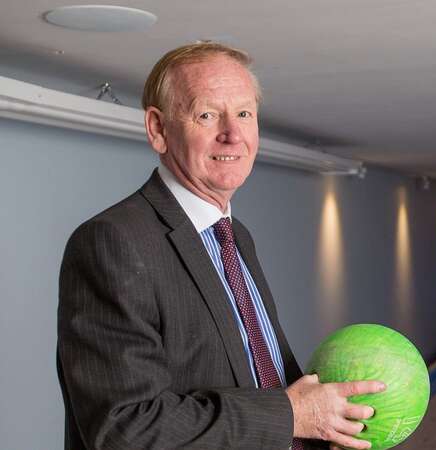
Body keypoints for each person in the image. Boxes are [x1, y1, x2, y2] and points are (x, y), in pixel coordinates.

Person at [57, 42, 385, 450]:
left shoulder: (234, 236)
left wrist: (323, 424)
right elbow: (125, 429)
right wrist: (293, 415)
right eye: (207, 114)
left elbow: (261, 377)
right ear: (158, 129)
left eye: (244, 114)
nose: (232, 134)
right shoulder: (113, 241)